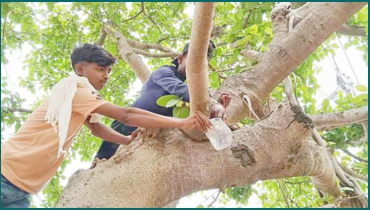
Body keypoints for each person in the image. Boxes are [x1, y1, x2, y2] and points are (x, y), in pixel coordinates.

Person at [0, 43, 212, 208]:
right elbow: (126, 115)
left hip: (23, 190)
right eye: (101, 69)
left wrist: (127, 141)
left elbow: (97, 129)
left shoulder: (76, 97)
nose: (106, 76)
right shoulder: (76, 89)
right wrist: (182, 121)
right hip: (6, 174)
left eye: (109, 71)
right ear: (80, 69)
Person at [95, 40, 231, 161]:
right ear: (181, 59)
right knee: (100, 169)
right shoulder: (164, 72)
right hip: (123, 131)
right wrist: (213, 103)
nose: (197, 65)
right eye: (194, 59)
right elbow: (181, 89)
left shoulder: (185, 96)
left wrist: (218, 105)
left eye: (202, 64)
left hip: (146, 142)